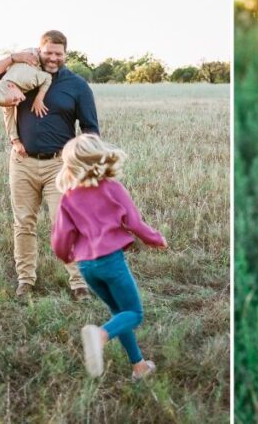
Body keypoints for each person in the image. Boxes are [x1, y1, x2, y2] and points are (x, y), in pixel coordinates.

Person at [0, 30, 99, 300]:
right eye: (48, 52)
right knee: (23, 223)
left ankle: (78, 283)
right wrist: (13, 57)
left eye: (59, 53)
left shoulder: (77, 85)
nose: (53, 58)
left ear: (66, 54)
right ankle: (26, 280)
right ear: (39, 51)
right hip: (21, 163)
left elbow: (91, 128)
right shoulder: (23, 71)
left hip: (59, 166)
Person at [50, 134, 167, 379]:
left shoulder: (69, 197)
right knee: (134, 313)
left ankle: (139, 367)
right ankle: (100, 335)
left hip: (86, 267)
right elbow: (134, 222)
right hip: (111, 262)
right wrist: (155, 239)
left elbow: (61, 238)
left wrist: (65, 256)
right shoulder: (112, 188)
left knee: (119, 314)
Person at [0, 47, 52, 153]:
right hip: (18, 67)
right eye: (14, 103)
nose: (17, 102)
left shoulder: (28, 80)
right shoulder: (7, 95)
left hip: (32, 54)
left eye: (15, 99)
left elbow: (47, 77)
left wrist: (39, 98)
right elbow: (8, 118)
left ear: (11, 86)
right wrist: (15, 141)